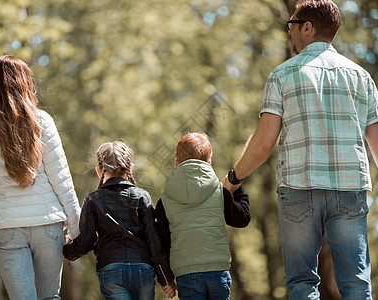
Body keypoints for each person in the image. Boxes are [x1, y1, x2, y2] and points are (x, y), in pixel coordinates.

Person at [224, 0, 378, 299]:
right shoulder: (362, 78)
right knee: (356, 284)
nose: (289, 33)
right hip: (349, 190)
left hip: (299, 189)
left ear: (307, 27)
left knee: (302, 283)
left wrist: (233, 178)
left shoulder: (282, 74)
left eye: (291, 26)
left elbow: (265, 142)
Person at [0, 55, 81, 299]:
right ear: (25, 83)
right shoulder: (41, 120)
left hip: (6, 225)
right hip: (48, 226)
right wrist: (77, 230)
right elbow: (61, 179)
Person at [63, 141, 176, 299]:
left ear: (98, 170)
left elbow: (87, 240)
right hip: (142, 268)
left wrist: (66, 250)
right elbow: (154, 241)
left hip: (111, 268)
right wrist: (166, 279)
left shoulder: (93, 200)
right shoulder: (142, 197)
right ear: (130, 168)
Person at [155, 132, 251, 300]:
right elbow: (242, 219)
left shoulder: (165, 200)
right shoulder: (219, 191)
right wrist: (237, 190)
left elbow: (163, 242)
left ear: (176, 161)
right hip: (217, 270)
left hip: (186, 273)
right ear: (208, 162)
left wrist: (166, 277)